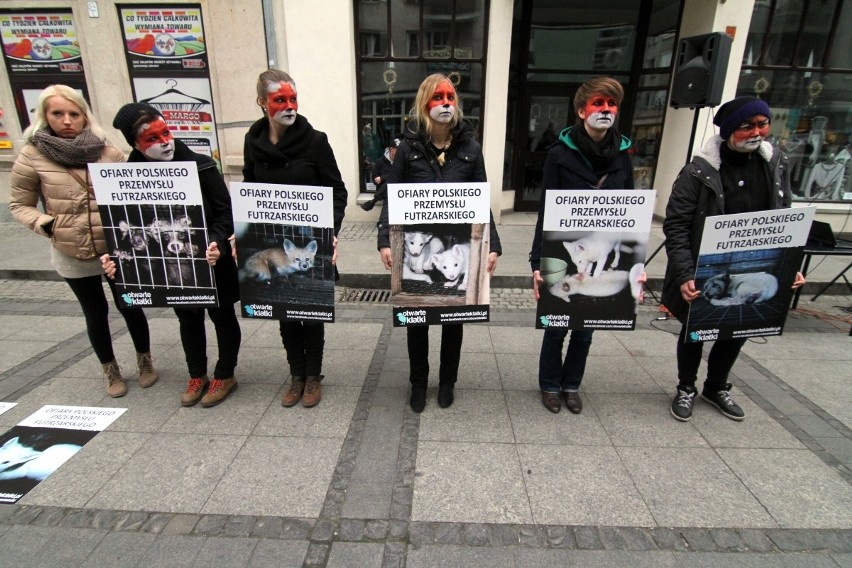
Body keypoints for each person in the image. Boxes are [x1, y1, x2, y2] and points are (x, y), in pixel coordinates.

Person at [663, 96, 805, 422]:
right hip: (706, 266)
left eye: (762, 124)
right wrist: (685, 273)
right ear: (729, 131)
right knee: (694, 330)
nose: (757, 132)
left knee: (738, 329)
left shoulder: (774, 164)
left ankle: (716, 386)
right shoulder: (699, 171)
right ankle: (686, 387)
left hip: (755, 262)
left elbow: (784, 218)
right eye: (747, 126)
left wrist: (790, 265)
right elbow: (677, 225)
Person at [9, 85, 157, 398]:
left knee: (130, 304)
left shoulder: (107, 151)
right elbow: (19, 204)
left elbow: (132, 196)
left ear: (84, 115)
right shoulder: (32, 155)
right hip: (70, 249)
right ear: (44, 116)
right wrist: (45, 224)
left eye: (73, 114)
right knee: (94, 311)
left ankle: (145, 360)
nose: (66, 120)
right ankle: (110, 369)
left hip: (115, 248)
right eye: (57, 113)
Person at [377, 73, 502, 412]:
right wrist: (384, 238)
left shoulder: (470, 149)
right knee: (416, 317)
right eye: (438, 97)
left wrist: (493, 244)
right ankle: (418, 382)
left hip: (457, 244)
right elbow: (391, 195)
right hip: (418, 244)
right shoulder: (408, 149)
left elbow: (481, 199)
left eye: (450, 96)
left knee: (453, 319)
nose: (446, 102)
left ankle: (447, 381)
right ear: (424, 103)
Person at [107, 102, 242, 407]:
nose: (164, 142)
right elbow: (124, 226)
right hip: (173, 268)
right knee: (188, 318)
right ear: (135, 144)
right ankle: (197, 374)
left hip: (211, 262)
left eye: (165, 132)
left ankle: (225, 374)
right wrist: (115, 256)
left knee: (222, 317)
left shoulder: (202, 166)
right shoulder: (128, 180)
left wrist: (217, 242)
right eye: (151, 138)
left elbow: (224, 213)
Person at [530, 76, 641, 415]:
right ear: (581, 110)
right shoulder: (560, 154)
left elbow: (630, 211)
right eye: (598, 104)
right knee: (558, 322)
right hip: (569, 246)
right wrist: (537, 262)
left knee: (586, 327)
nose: (605, 110)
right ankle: (550, 385)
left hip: (605, 247)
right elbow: (546, 210)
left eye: (611, 105)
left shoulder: (623, 155)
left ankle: (571, 385)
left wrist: (638, 264)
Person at [242, 69, 347, 408]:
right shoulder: (252, 141)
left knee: (311, 310)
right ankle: (296, 374)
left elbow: (337, 191)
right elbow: (249, 188)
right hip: (273, 242)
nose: (289, 106)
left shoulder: (315, 141)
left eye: (292, 99)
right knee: (285, 311)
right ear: (262, 102)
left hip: (308, 241)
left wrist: (330, 232)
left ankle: (313, 376)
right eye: (279, 100)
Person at [360, 134, 401, 212]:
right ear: (391, 149)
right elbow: (374, 179)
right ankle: (383, 223)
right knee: (389, 191)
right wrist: (378, 180)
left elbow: (399, 175)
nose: (399, 153)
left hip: (397, 190)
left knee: (391, 182)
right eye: (397, 150)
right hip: (384, 192)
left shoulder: (401, 162)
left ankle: (373, 201)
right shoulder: (380, 162)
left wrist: (382, 178)